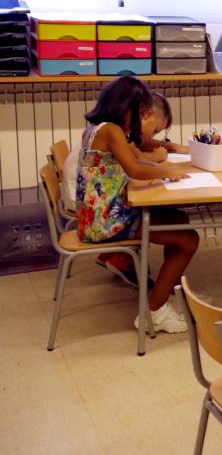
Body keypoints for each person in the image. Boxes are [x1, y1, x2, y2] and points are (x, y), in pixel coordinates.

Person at [76, 76, 197, 333]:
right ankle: (153, 313)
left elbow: (136, 159)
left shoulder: (97, 128)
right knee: (188, 240)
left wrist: (161, 166)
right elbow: (134, 167)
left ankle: (168, 296)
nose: (140, 118)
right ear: (126, 107)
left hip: (100, 216)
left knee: (178, 219)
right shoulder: (111, 130)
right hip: (106, 222)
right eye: (140, 112)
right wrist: (165, 170)